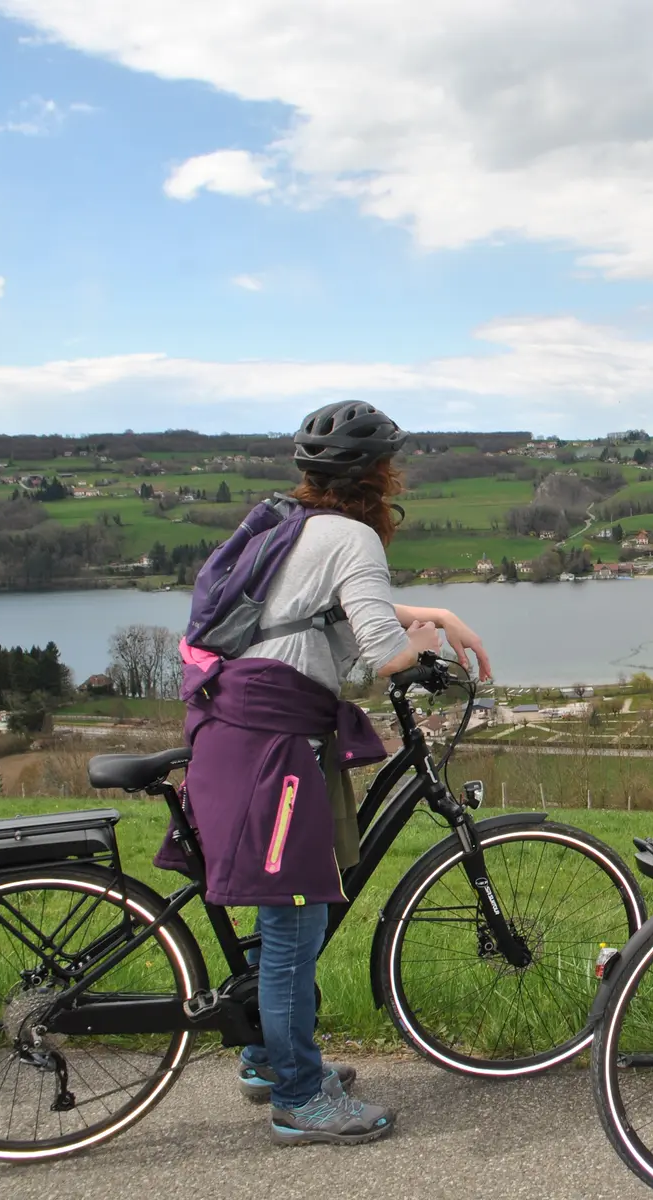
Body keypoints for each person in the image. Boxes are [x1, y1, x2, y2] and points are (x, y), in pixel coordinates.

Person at [178, 400, 492, 1146]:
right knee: (295, 918)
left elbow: (317, 613)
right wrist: (433, 660)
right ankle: (297, 1095)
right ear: (379, 474)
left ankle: (268, 1055)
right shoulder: (352, 535)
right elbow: (381, 647)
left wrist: (435, 615)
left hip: (241, 730)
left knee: (283, 913)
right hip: (271, 747)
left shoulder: (292, 522)